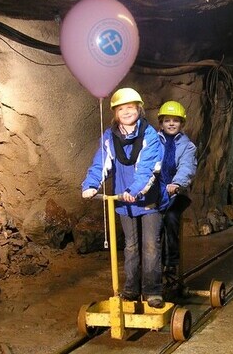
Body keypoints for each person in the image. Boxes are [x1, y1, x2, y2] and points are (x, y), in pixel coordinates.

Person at [81, 87, 166, 308]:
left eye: (131, 107)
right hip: (123, 201)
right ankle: (130, 289)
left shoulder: (150, 135)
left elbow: (148, 168)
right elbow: (102, 163)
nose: (127, 112)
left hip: (147, 200)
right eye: (121, 109)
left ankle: (152, 291)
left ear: (139, 109)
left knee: (150, 245)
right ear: (115, 113)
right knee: (130, 246)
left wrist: (135, 190)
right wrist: (91, 185)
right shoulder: (109, 137)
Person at [157, 100, 197, 286]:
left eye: (175, 120)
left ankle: (171, 261)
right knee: (152, 222)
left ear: (182, 124)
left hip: (177, 192)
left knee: (171, 217)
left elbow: (187, 166)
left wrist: (177, 183)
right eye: (167, 120)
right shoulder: (154, 142)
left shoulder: (187, 146)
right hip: (157, 191)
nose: (171, 124)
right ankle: (152, 263)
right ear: (161, 123)